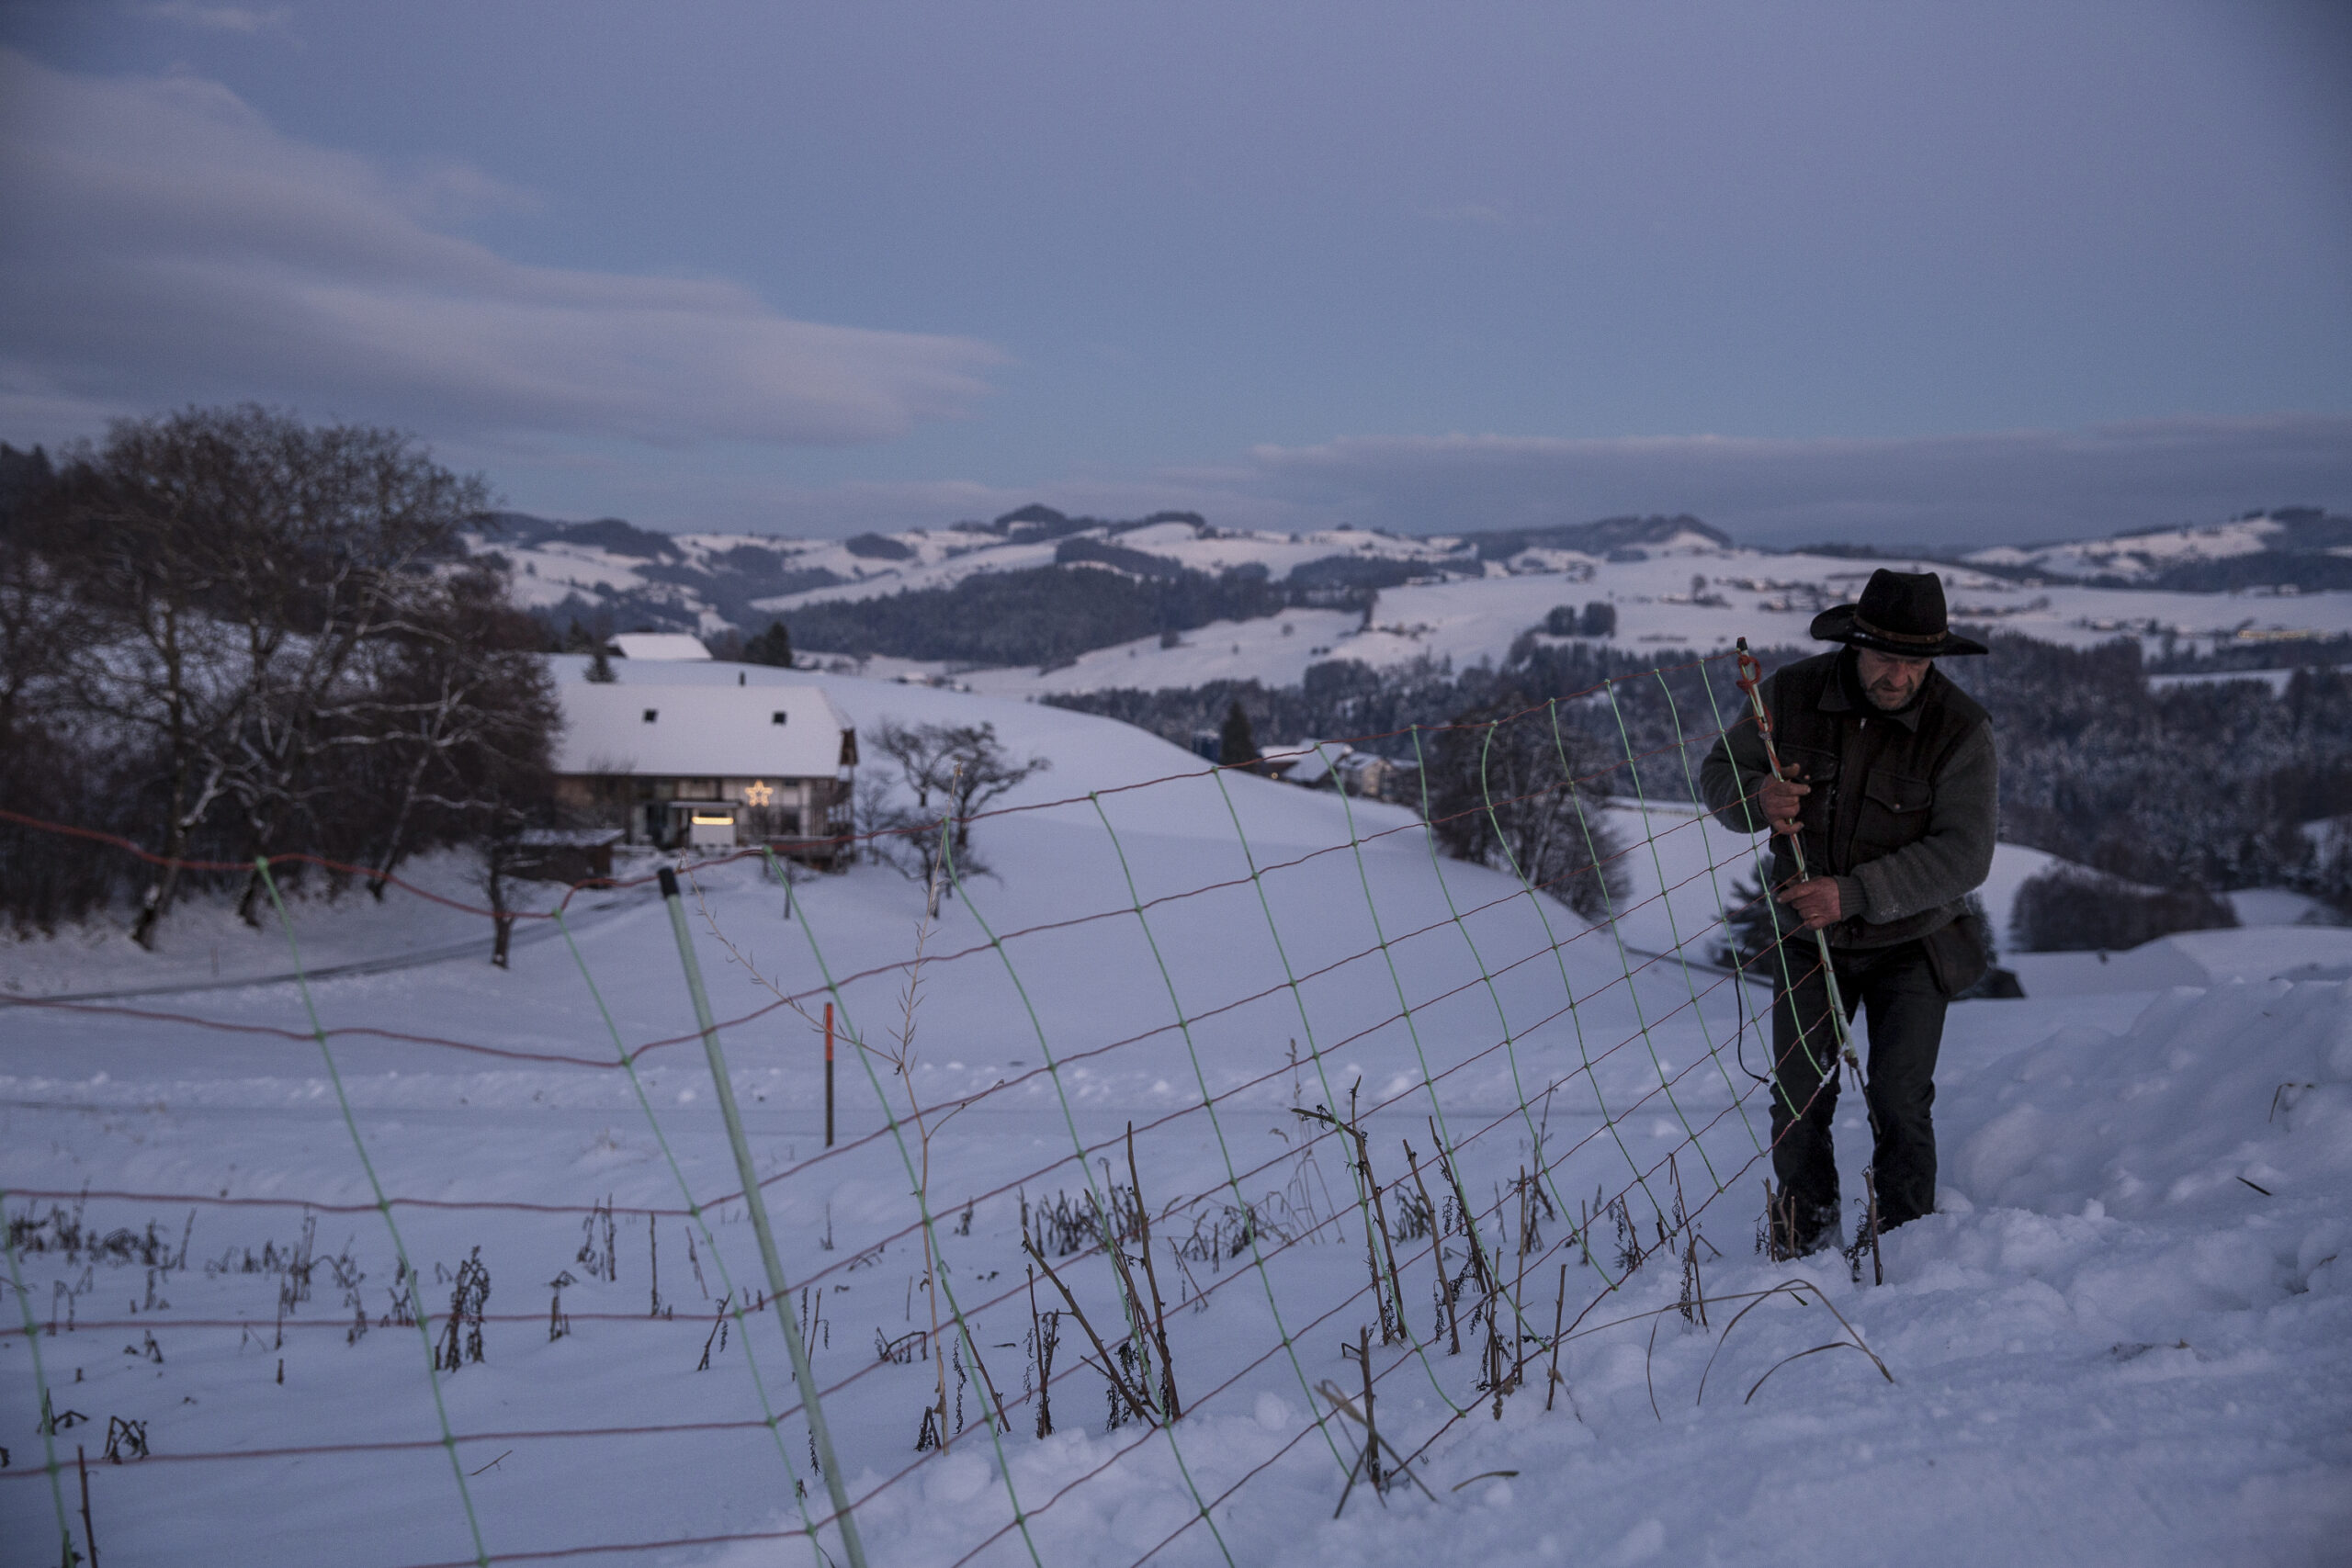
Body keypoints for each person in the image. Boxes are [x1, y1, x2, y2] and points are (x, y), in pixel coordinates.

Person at [1701, 569, 1996, 1257]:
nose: (1900, 675)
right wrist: (1758, 797)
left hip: (1913, 939)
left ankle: (1905, 1238)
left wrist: (1854, 891)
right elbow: (1718, 772)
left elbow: (1966, 854)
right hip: (1808, 940)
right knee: (1797, 1097)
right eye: (1886, 657)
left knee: (1898, 1096)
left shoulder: (1961, 729)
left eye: (1917, 661)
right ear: (1854, 644)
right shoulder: (1790, 696)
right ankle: (1804, 1236)